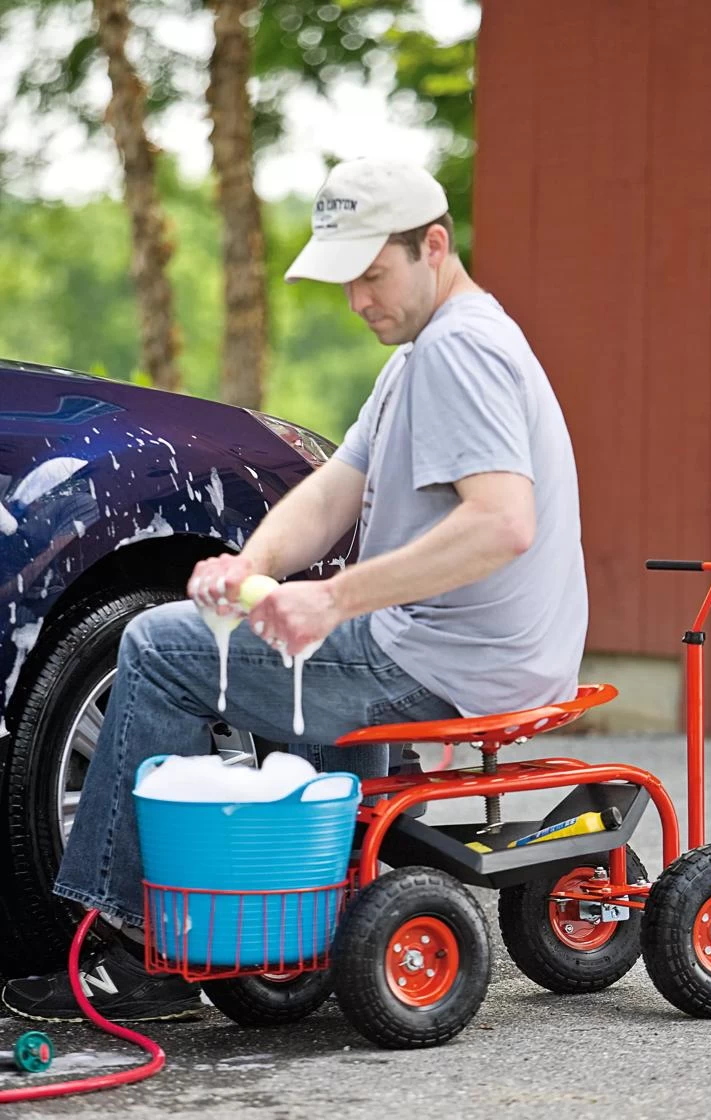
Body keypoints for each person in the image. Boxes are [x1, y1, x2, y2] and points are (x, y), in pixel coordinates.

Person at [2, 158, 588, 1023]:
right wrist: (255, 566)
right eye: (345, 279)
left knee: (159, 647)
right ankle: (305, 918)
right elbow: (334, 488)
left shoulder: (461, 349)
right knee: (250, 638)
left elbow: (502, 523)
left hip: (447, 656)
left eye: (371, 274)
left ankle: (127, 946)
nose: (357, 300)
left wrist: (337, 599)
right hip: (458, 647)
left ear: (434, 244)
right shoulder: (426, 352)